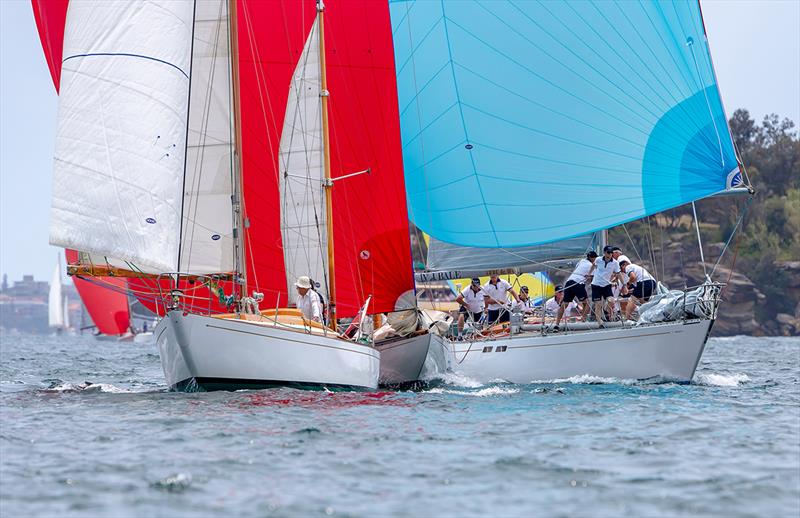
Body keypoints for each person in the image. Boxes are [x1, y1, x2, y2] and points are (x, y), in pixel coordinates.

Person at [554, 251, 596, 330]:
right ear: (592, 258)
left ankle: (557, 324)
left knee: (565, 304)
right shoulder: (591, 266)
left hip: (569, 282)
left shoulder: (581, 261)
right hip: (578, 283)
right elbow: (591, 279)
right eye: (595, 258)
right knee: (588, 303)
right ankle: (582, 322)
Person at [589, 245, 622, 325]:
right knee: (598, 304)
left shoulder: (615, 263)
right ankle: (599, 322)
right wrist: (589, 274)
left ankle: (605, 310)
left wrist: (624, 284)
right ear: (604, 253)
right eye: (608, 253)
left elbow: (618, 274)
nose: (609, 254)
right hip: (596, 285)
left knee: (611, 301)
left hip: (606, 285)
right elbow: (593, 265)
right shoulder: (598, 259)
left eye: (611, 253)